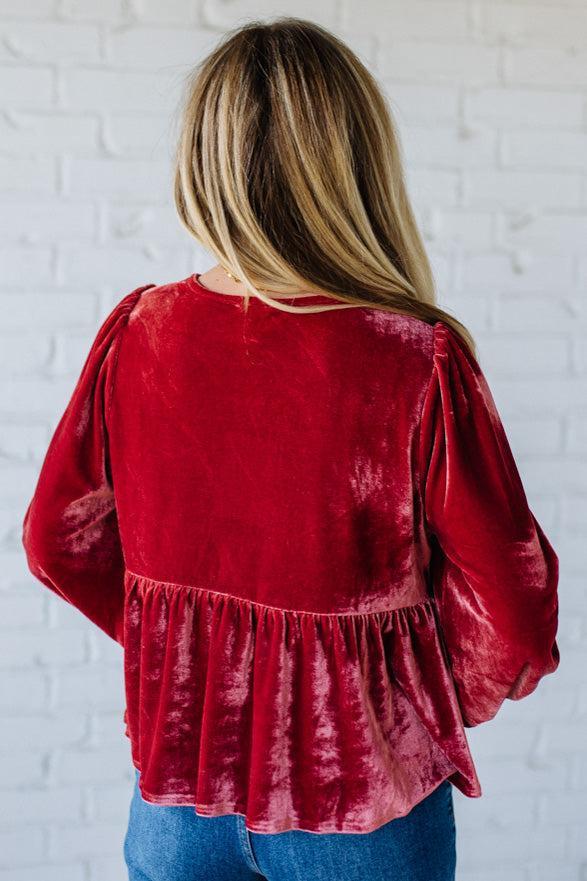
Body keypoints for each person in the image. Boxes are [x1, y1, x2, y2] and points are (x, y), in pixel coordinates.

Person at [21, 16, 560, 881]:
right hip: (365, 808)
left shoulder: (136, 332)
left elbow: (57, 538)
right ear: (355, 166)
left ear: (203, 161)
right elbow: (513, 608)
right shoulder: (412, 355)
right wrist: (401, 704)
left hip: (177, 800)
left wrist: (189, 663)